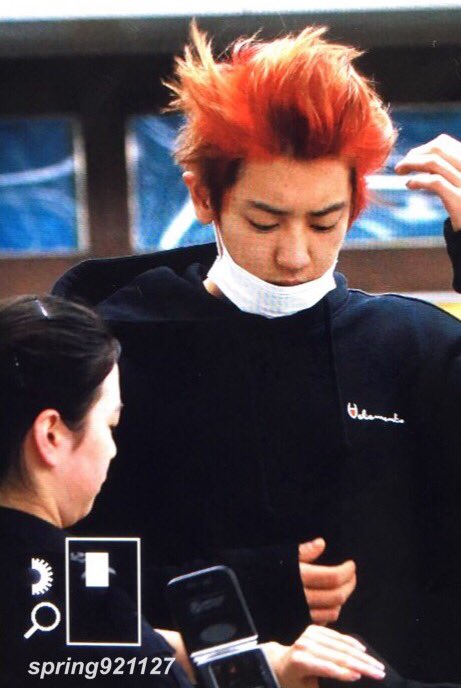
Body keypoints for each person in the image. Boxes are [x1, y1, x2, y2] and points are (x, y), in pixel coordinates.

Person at [53, 25, 461, 682]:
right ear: (203, 197)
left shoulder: (413, 347)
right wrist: (242, 589)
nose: (295, 255)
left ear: (356, 205)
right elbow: (59, 585)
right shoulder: (114, 351)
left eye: (325, 222)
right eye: (264, 222)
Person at [0, 294, 389, 688]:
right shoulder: (77, 595)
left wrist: (263, 660)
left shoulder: (58, 589)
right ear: (51, 435)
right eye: (110, 425)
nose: (113, 450)